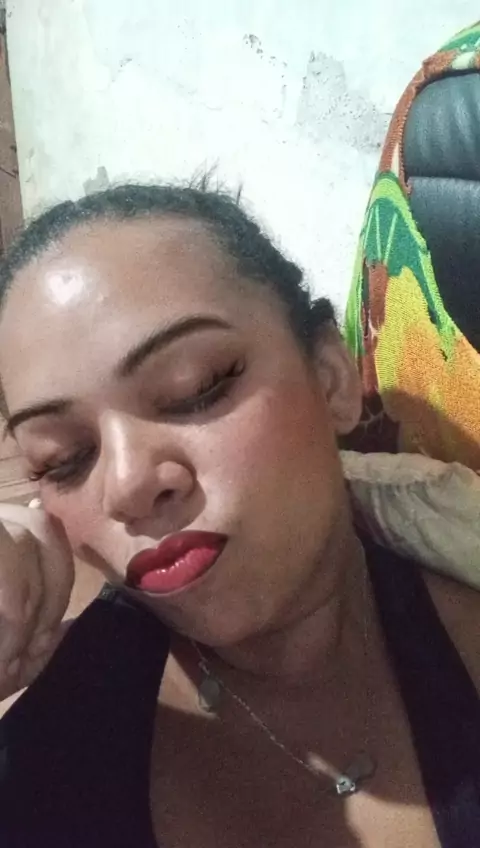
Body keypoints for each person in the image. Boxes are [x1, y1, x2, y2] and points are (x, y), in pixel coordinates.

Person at [1, 22, 480, 847]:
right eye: (65, 459)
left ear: (331, 378)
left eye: (197, 388)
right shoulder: (46, 760)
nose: (129, 483)